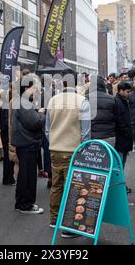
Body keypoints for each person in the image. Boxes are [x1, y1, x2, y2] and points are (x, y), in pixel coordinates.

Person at [46, 78, 91, 237]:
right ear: (76, 84)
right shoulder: (82, 101)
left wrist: (53, 142)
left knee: (56, 185)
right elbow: (86, 133)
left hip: (55, 149)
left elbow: (47, 129)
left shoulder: (52, 100)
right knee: (73, 187)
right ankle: (69, 226)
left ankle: (54, 219)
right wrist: (84, 151)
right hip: (74, 150)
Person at [10, 75, 45, 214]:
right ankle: (25, 204)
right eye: (35, 88)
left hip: (24, 142)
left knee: (26, 174)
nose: (37, 91)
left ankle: (23, 203)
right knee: (27, 175)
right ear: (26, 87)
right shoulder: (23, 102)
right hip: (27, 143)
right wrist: (41, 114)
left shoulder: (22, 100)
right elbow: (34, 122)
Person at [88, 76, 119, 147]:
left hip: (91, 136)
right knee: (108, 156)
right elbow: (117, 118)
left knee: (91, 156)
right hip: (108, 136)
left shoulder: (85, 98)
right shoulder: (112, 99)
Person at [115, 82, 133, 194]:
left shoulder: (123, 101)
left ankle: (120, 185)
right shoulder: (118, 102)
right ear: (121, 90)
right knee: (120, 164)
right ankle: (120, 186)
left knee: (122, 163)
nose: (129, 94)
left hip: (124, 138)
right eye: (127, 91)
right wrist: (126, 131)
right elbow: (119, 121)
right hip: (121, 139)